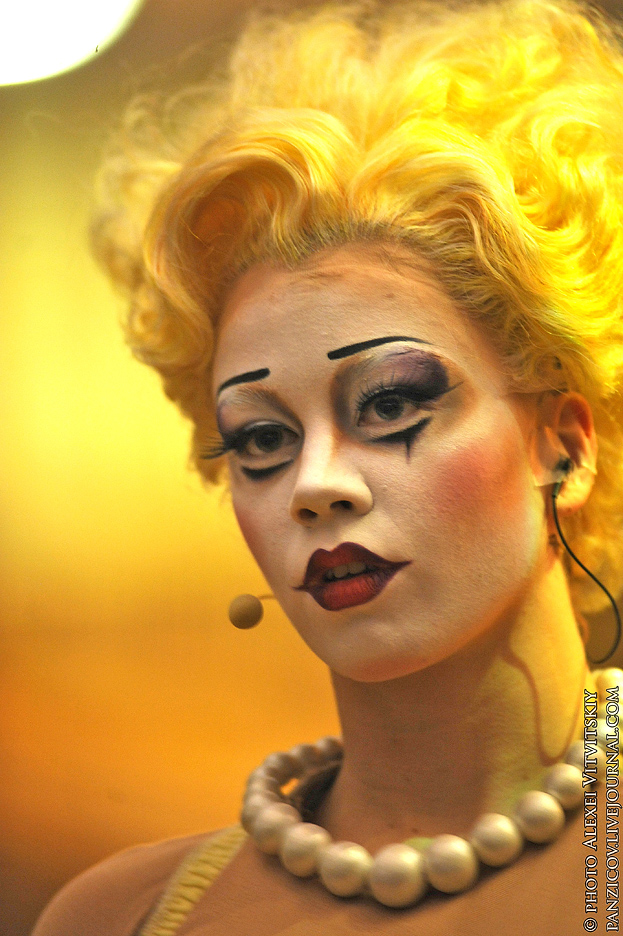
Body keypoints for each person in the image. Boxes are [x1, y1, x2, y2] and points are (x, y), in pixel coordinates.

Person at [33, 0, 623, 933]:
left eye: (388, 405)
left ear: (566, 446)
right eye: (262, 439)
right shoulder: (121, 915)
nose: (315, 484)